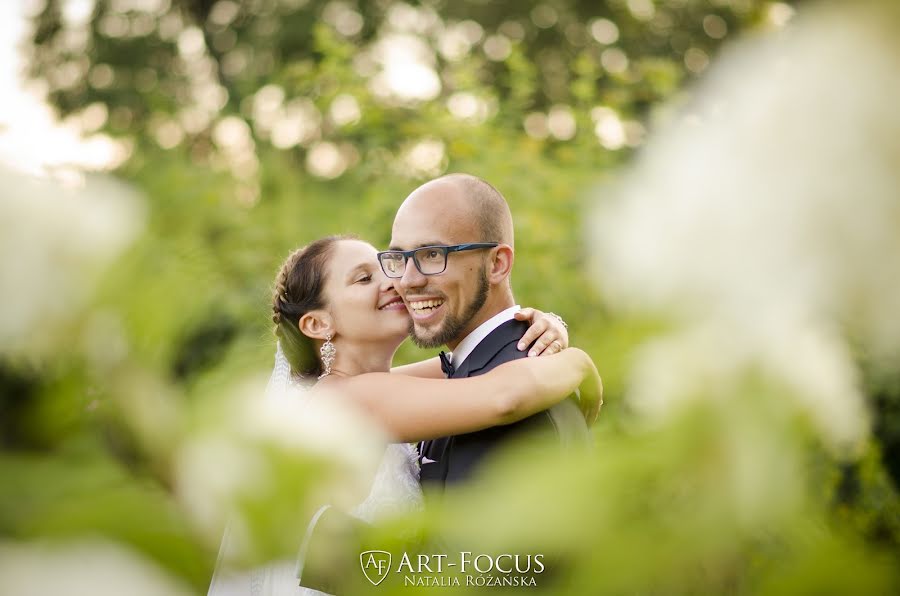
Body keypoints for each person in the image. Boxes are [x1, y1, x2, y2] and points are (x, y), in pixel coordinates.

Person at [208, 235, 602, 595]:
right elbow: (504, 396)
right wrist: (581, 362)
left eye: (386, 269)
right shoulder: (349, 400)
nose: (394, 283)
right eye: (363, 279)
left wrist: (549, 326)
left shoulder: (355, 389)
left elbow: (465, 363)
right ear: (318, 323)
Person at [384, 173, 594, 489]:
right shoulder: (474, 373)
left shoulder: (529, 393)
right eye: (400, 257)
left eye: (432, 255)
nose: (407, 281)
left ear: (496, 264)